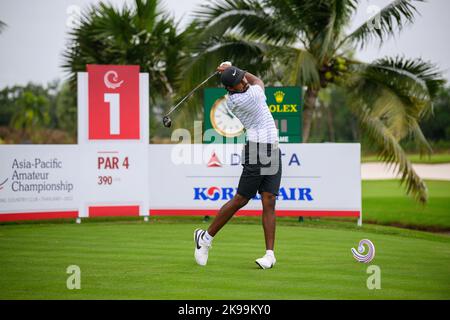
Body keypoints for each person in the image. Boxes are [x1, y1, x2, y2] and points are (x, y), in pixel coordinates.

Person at [194, 63, 282, 269]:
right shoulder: (243, 99)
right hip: (257, 151)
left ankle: (270, 255)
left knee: (269, 200)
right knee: (241, 199)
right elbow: (258, 82)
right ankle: (205, 238)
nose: (244, 81)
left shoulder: (242, 90)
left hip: (272, 149)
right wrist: (232, 66)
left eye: (242, 78)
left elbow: (250, 81)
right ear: (230, 89)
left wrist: (234, 69)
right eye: (238, 81)